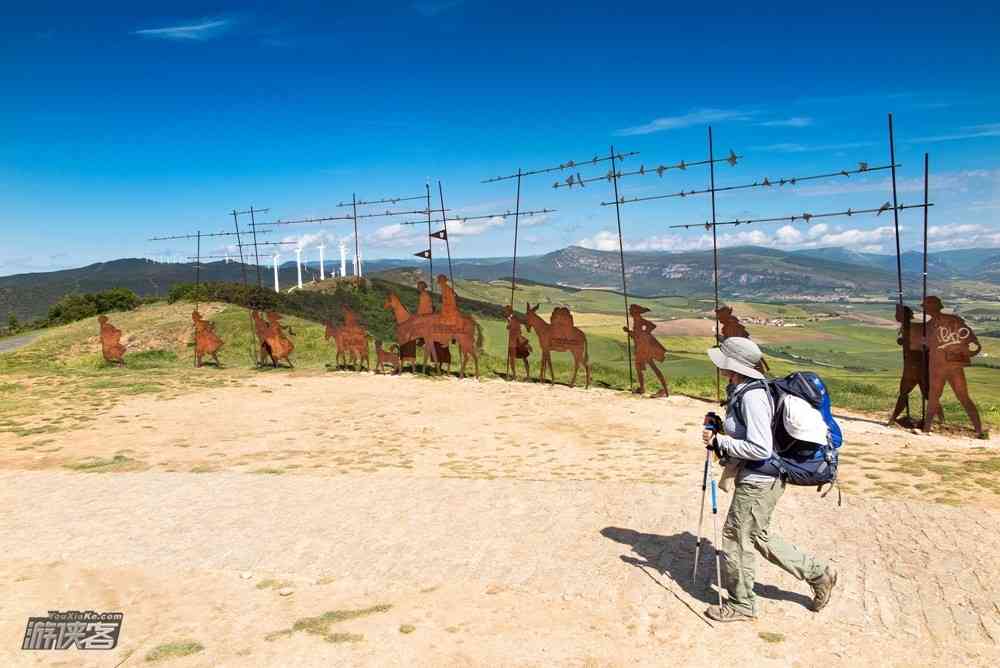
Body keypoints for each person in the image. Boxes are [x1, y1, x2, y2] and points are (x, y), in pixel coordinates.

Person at [701, 337, 837, 622]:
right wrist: (721, 424)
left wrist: (720, 443)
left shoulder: (752, 396)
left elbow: (760, 447)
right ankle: (819, 574)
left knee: (736, 538)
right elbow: (749, 431)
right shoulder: (744, 389)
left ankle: (742, 604)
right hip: (764, 477)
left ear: (733, 365)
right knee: (757, 536)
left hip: (759, 479)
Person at [922, 296, 985, 438]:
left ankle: (979, 429)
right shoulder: (929, 326)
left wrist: (965, 351)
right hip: (937, 367)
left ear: (934, 307)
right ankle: (926, 428)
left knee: (963, 396)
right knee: (934, 397)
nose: (925, 309)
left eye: (926, 306)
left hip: (952, 366)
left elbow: (973, 342)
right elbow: (927, 346)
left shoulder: (954, 321)